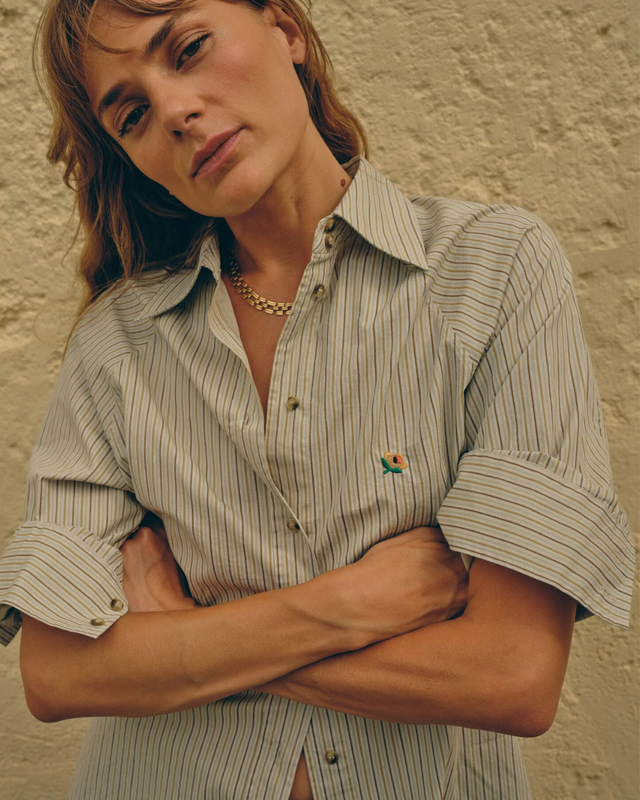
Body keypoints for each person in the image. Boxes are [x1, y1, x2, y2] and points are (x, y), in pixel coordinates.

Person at [0, 0, 634, 798]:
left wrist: (185, 640)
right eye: (131, 115)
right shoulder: (116, 344)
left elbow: (513, 675)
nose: (175, 111)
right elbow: (58, 674)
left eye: (189, 48)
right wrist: (349, 604)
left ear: (286, 31)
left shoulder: (493, 272)